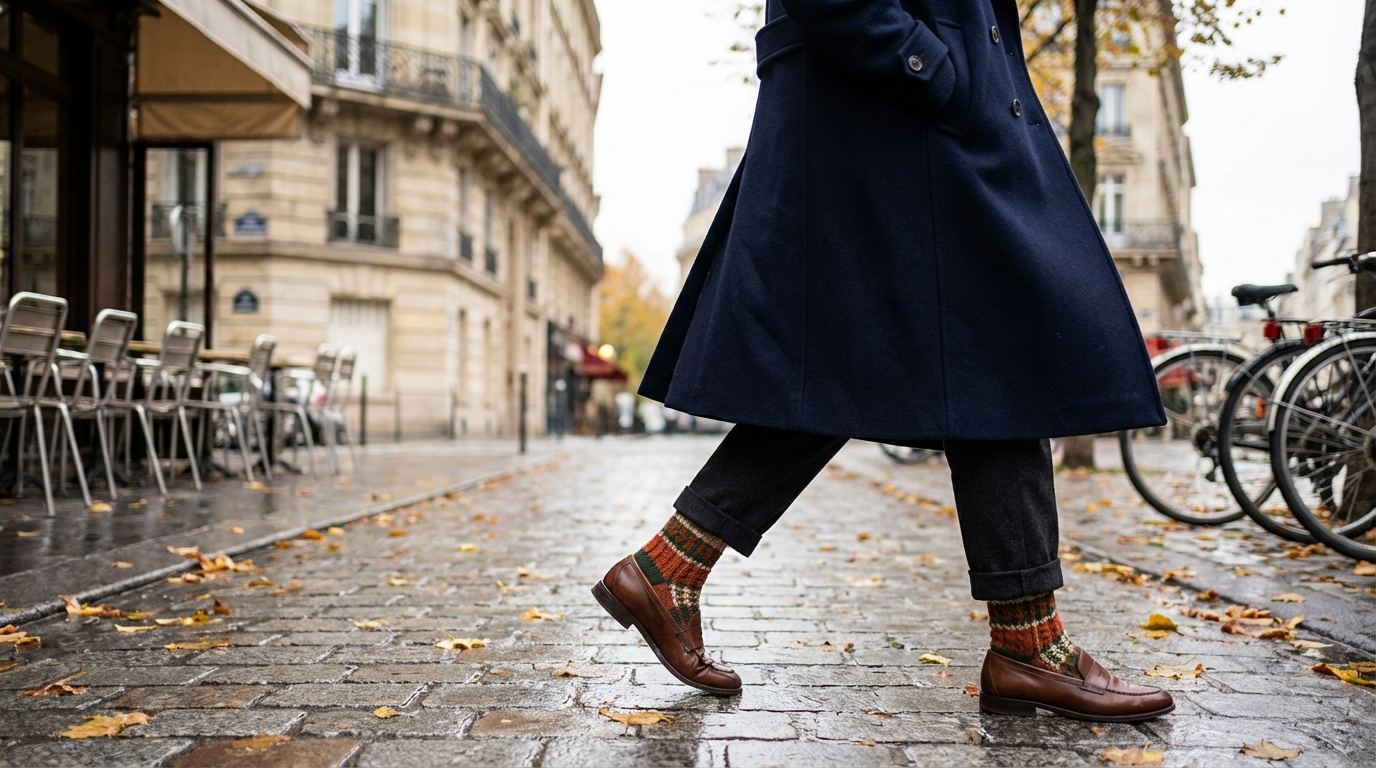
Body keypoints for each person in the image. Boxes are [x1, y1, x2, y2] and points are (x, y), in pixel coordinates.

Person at [592, 0, 1175, 722]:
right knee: (983, 353)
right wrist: (931, 69)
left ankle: (669, 568)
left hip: (907, 121)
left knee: (926, 362)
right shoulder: (920, 83)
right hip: (894, 114)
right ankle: (1028, 640)